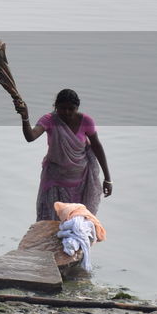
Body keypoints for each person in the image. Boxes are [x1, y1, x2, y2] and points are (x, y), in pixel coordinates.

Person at [15, 89, 111, 222]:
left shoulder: (86, 121)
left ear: (77, 108)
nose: (66, 112)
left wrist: (107, 178)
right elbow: (30, 137)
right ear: (55, 107)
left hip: (80, 180)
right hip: (54, 179)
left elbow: (97, 146)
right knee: (50, 221)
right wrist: (25, 117)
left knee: (77, 221)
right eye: (62, 108)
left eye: (71, 109)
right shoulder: (49, 120)